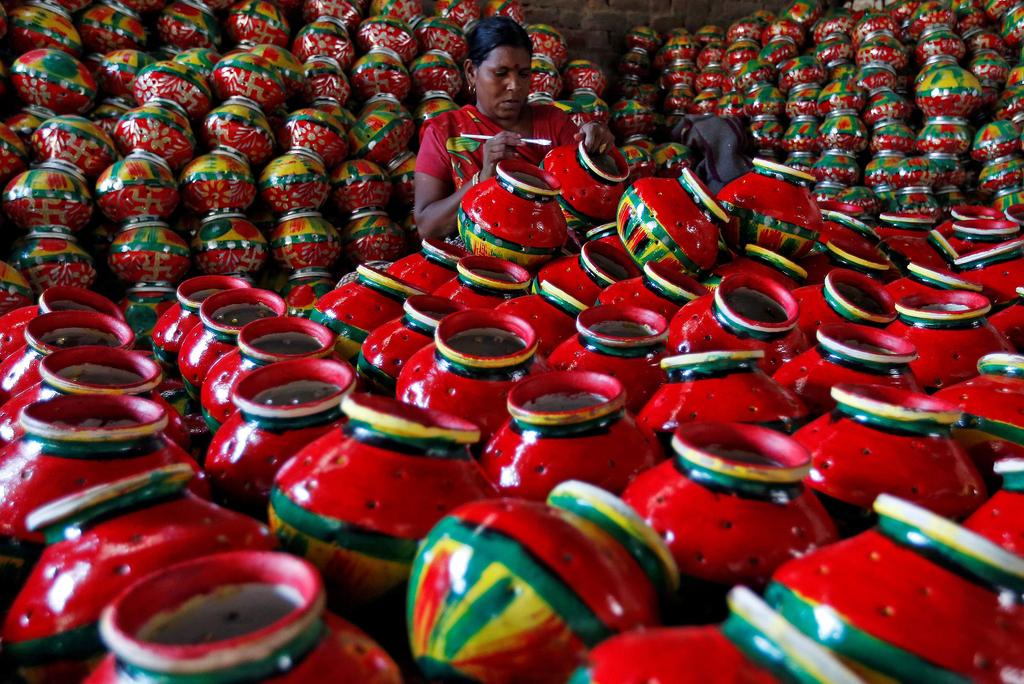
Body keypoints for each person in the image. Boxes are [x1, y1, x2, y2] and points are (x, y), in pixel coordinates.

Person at [414, 16, 615, 241]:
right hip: (473, 268)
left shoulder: (554, 123)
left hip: (548, 256)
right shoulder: (445, 131)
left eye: (523, 74)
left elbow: (592, 202)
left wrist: (598, 153)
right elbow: (427, 226)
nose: (515, 86)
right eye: (501, 73)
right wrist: (484, 178)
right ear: (471, 72)